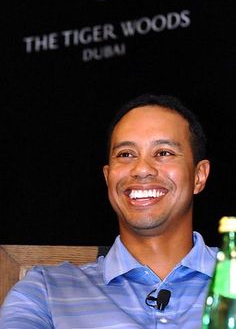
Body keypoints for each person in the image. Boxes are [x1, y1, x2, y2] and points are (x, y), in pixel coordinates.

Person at [0, 93, 218, 328]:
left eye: (163, 153)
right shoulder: (45, 291)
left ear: (199, 176)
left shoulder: (230, 278)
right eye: (126, 155)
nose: (142, 169)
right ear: (107, 177)